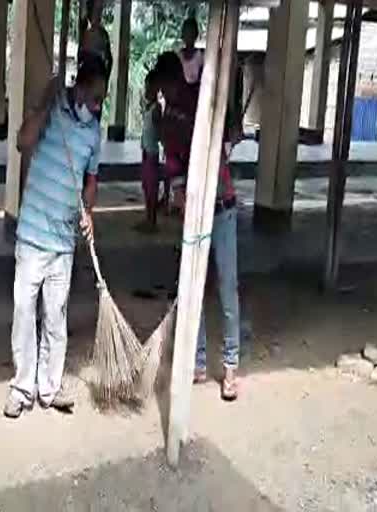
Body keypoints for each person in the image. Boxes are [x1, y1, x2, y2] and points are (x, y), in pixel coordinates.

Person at [3, 54, 107, 419]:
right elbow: (21, 141)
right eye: (94, 98)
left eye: (102, 100)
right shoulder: (55, 112)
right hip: (32, 234)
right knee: (23, 312)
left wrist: (89, 213)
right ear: (78, 87)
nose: (97, 106)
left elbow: (90, 181)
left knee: (55, 316)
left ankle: (50, 386)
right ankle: (21, 387)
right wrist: (46, 101)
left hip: (64, 241)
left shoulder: (94, 132)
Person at [156, 51, 241, 401]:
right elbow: (173, 163)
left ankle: (231, 365)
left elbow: (233, 129)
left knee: (227, 286)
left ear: (175, 80)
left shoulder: (205, 100)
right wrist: (177, 191)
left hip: (222, 206)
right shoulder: (168, 119)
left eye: (166, 86)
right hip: (195, 211)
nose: (165, 94)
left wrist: (226, 140)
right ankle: (201, 361)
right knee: (196, 285)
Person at [140, 69, 164, 229]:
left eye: (149, 88)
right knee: (146, 185)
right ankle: (148, 217)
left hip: (152, 153)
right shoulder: (149, 108)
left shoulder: (156, 109)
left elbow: (159, 131)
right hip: (146, 150)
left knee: (151, 187)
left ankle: (152, 220)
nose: (146, 91)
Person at [179, 17, 204, 86]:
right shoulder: (178, 57)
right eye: (186, 33)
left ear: (195, 35)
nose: (188, 36)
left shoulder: (201, 57)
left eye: (191, 33)